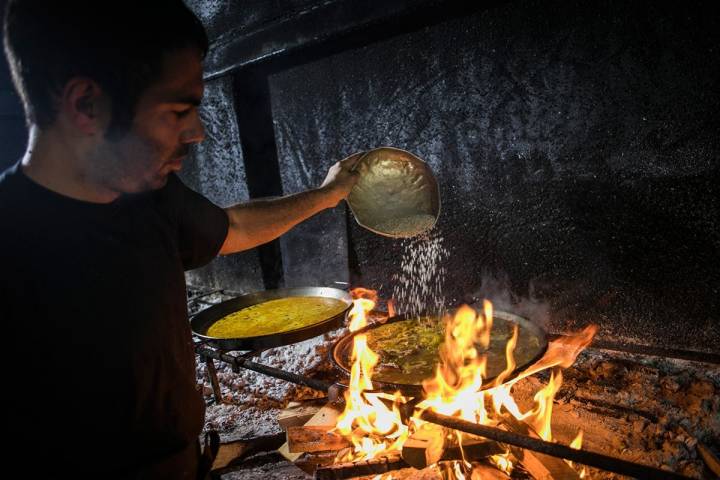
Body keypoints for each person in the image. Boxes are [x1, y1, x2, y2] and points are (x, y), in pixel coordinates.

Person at [0, 1, 360, 478]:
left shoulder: (148, 195)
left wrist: (326, 195)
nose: (198, 133)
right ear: (86, 104)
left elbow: (233, 227)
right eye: (177, 110)